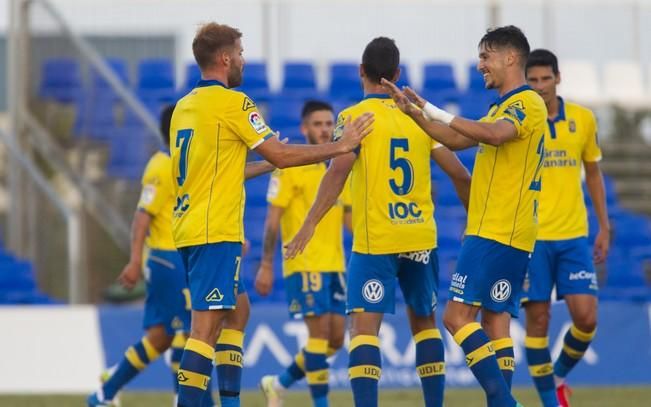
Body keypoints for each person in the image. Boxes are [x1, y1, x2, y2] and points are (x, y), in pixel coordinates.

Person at [170, 22, 373, 407]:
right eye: (241, 53)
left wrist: (266, 165)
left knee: (238, 311)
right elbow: (280, 155)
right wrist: (340, 146)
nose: (244, 60)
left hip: (191, 227)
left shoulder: (186, 107)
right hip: (215, 231)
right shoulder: (234, 103)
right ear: (226, 58)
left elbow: (223, 170)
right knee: (205, 328)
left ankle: (230, 402)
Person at [285, 37, 471, 407]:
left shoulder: (353, 118)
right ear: (398, 74)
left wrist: (308, 224)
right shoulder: (418, 118)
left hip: (376, 240)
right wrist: (475, 223)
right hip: (419, 235)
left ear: (360, 72)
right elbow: (461, 175)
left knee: (365, 330)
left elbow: (336, 174)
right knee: (425, 323)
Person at [382, 25, 546, 407]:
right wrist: (417, 113)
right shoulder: (501, 107)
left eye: (486, 56)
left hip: (496, 229)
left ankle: (506, 403)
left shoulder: (526, 104)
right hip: (507, 231)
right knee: (493, 320)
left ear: (510, 57)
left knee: (456, 316)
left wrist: (435, 110)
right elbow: (457, 139)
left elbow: (495, 135)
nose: (480, 65)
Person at [86, 104, 276, 407]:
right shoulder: (161, 166)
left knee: (164, 336)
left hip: (193, 251)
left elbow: (218, 190)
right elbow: (142, 216)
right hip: (168, 258)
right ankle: (193, 400)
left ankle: (104, 393)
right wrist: (135, 260)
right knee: (195, 330)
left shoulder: (192, 162)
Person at [522, 49, 610, 407]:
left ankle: (557, 376)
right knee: (538, 323)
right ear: (525, 82)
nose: (540, 87)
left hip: (574, 235)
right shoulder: (522, 121)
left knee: (586, 319)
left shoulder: (584, 120)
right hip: (531, 238)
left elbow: (592, 172)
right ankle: (551, 402)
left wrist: (604, 225)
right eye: (533, 80)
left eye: (546, 79)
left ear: (558, 78)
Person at [255, 100, 352, 407]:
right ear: (304, 128)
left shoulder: (340, 165)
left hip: (335, 265)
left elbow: (348, 218)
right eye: (317, 124)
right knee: (319, 335)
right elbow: (272, 218)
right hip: (304, 262)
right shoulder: (290, 166)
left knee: (336, 339)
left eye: (328, 124)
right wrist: (266, 264)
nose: (324, 130)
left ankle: (278, 383)